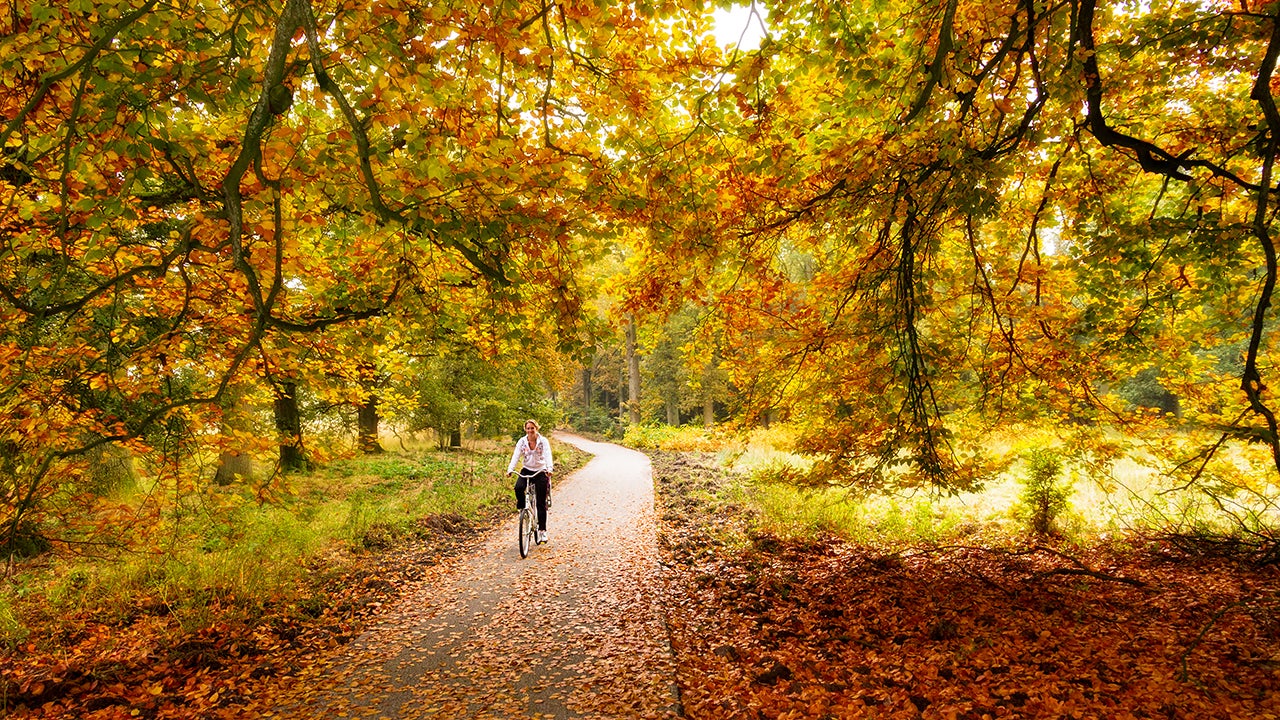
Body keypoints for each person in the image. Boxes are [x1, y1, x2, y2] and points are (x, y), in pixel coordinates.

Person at [507, 419, 553, 544]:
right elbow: (516, 455)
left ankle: (542, 531)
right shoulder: (522, 442)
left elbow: (548, 455)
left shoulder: (543, 441)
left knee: (540, 502)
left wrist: (549, 469)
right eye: (528, 428)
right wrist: (510, 469)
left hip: (540, 471)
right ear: (525, 429)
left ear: (536, 428)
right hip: (527, 469)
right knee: (518, 487)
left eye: (532, 428)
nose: (530, 430)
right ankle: (523, 509)